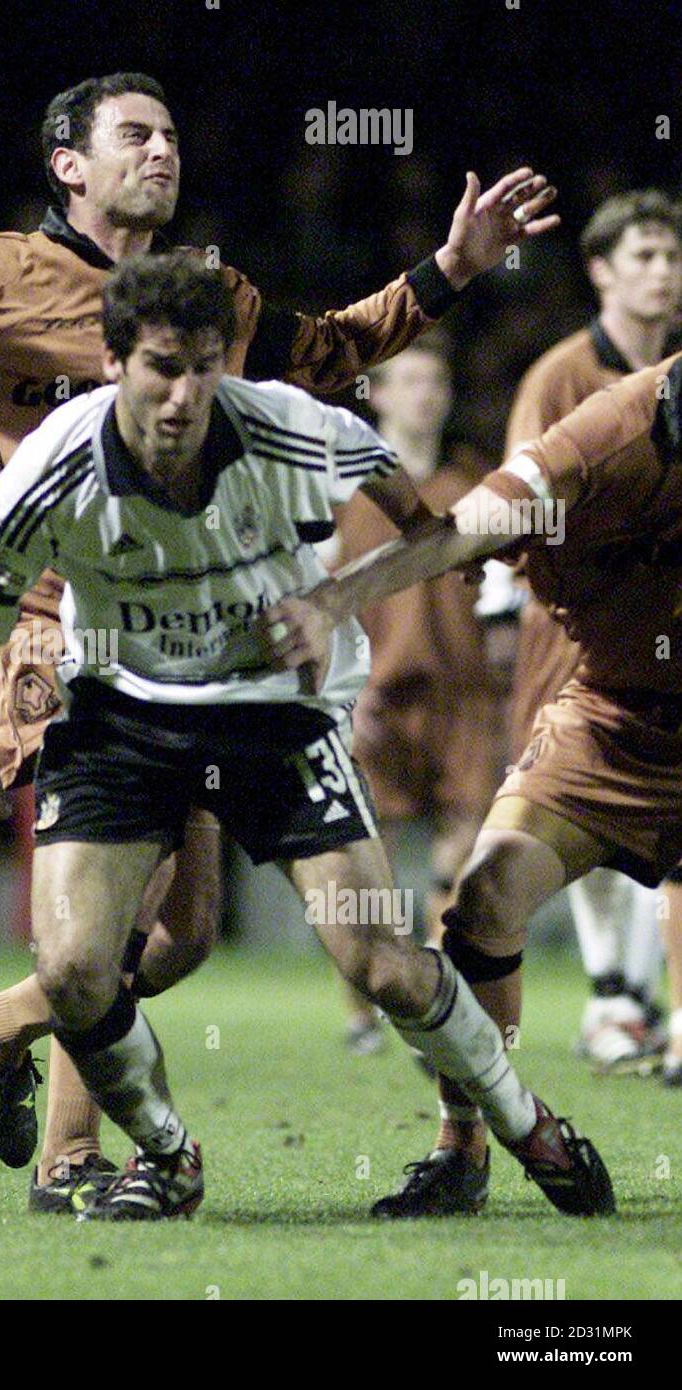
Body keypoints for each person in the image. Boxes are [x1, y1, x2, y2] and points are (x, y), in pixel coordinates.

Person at [0, 49, 560, 1209]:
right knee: (121, 914)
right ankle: (72, 1159)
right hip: (47, 626)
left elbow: (328, 353)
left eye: (171, 137)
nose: (162, 150)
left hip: (172, 644)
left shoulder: (211, 302)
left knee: (186, 933)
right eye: (134, 135)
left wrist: (448, 269)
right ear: (67, 164)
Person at [0, 253, 612, 1222]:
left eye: (205, 365)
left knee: (375, 961)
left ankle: (524, 1119)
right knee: (79, 971)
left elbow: (431, 528)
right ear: (115, 360)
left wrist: (335, 598)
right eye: (162, 366)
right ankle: (165, 1154)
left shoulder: (293, 428)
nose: (184, 393)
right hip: (120, 714)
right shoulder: (51, 468)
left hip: (270, 712)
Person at [263, 346, 682, 1215]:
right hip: (613, 717)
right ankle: (462, 1147)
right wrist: (333, 602)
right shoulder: (599, 437)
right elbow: (460, 530)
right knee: (483, 898)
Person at [478, 190, 682, 1077]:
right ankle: (611, 992)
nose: (662, 272)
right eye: (642, 256)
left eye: (671, 257)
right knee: (582, 815)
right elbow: (512, 506)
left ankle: (644, 1002)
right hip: (571, 629)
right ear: (600, 271)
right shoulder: (563, 376)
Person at [333, 339, 502, 1055]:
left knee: (459, 853)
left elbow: (505, 596)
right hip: (375, 698)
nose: (425, 395)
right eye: (408, 381)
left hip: (462, 696)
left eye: (436, 380)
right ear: (375, 394)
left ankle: (433, 1002)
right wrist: (337, 693)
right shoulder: (346, 490)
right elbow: (318, 596)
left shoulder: (477, 482)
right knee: (365, 859)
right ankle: (362, 1014)